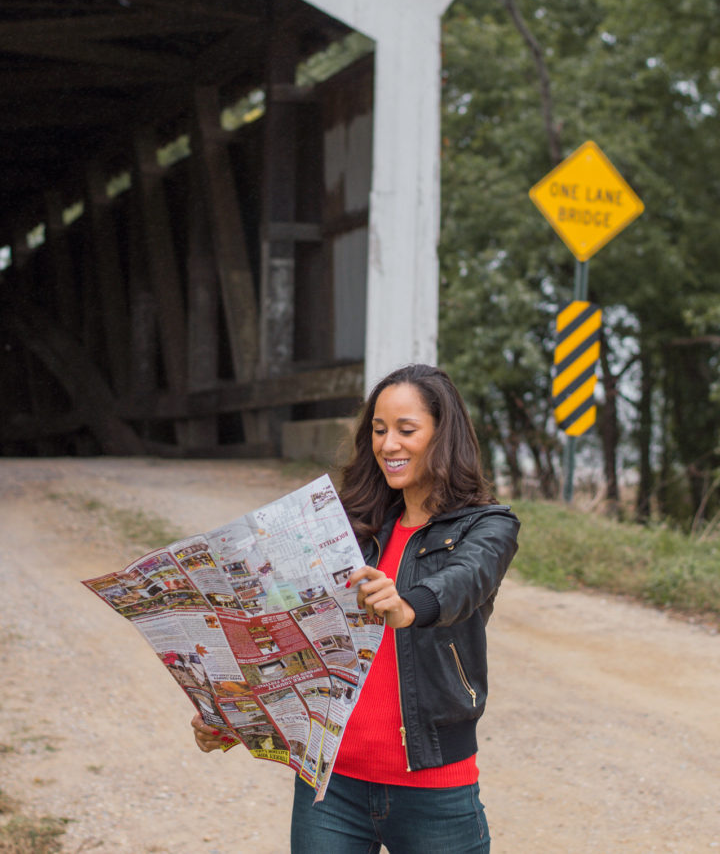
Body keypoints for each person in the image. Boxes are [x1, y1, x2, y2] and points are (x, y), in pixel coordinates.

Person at [192, 363, 520, 853]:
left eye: (407, 430)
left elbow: (464, 582)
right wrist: (236, 715)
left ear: (443, 434)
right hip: (331, 787)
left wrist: (408, 603)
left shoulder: (489, 527)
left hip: (435, 790)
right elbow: (292, 638)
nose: (389, 445)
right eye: (379, 430)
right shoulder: (347, 527)